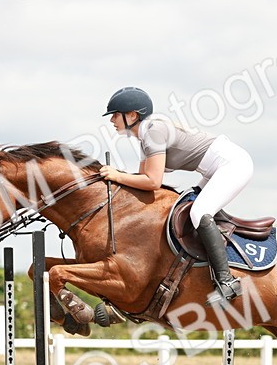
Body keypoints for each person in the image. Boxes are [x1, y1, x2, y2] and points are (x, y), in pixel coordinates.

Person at [99, 86, 253, 303]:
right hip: (214, 169)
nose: (112, 120)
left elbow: (153, 181)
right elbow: (142, 179)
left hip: (232, 164)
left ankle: (227, 281)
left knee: (199, 212)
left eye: (115, 114)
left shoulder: (153, 132)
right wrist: (117, 178)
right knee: (189, 205)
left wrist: (116, 175)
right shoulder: (145, 136)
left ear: (132, 115)